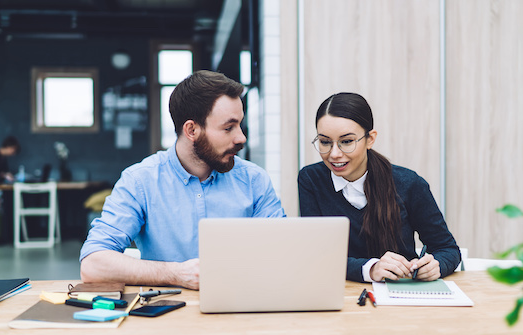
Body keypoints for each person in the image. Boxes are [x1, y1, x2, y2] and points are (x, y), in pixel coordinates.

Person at [80, 70, 286, 289]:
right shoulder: (140, 181)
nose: (241, 138)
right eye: (228, 128)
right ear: (191, 130)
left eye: (240, 125)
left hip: (243, 307)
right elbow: (92, 265)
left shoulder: (254, 180)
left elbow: (283, 252)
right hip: (167, 314)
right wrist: (175, 274)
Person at [298, 92, 460, 283]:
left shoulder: (409, 183)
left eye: (347, 141)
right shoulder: (311, 179)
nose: (334, 153)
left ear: (370, 139)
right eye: (325, 142)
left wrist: (437, 265)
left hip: (401, 293)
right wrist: (371, 269)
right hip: (341, 295)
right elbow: (317, 255)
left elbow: (447, 249)